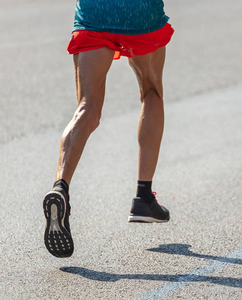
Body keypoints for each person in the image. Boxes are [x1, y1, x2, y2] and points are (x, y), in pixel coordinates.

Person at [42, 0, 174, 258]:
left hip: (95, 13)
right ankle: (143, 197)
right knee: (151, 92)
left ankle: (61, 187)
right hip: (140, 14)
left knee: (87, 108)